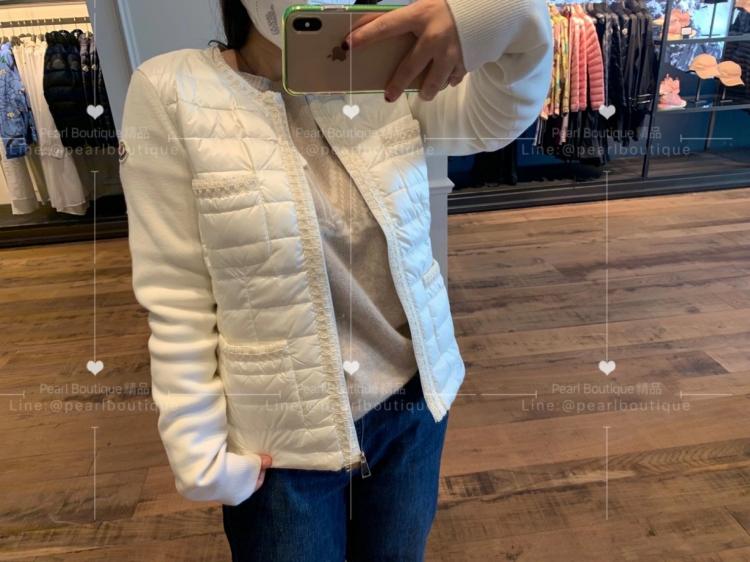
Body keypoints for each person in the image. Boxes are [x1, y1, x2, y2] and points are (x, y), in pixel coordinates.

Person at [119, 0, 552, 559]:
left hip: (410, 408)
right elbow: (176, 289)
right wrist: (197, 450)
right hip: (283, 448)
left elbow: (496, 118)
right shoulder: (171, 90)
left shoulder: (386, 73)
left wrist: (502, 14)